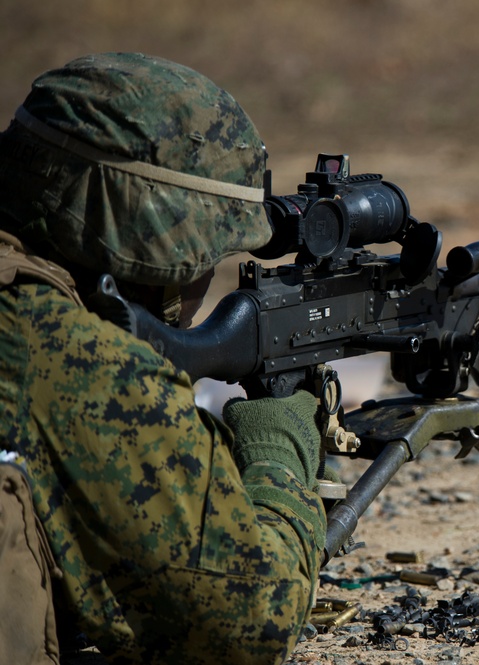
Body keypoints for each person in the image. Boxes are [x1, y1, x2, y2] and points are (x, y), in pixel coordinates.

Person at [0, 53, 326, 665]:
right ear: (152, 247)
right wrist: (279, 448)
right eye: (208, 253)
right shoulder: (81, 362)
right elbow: (247, 627)